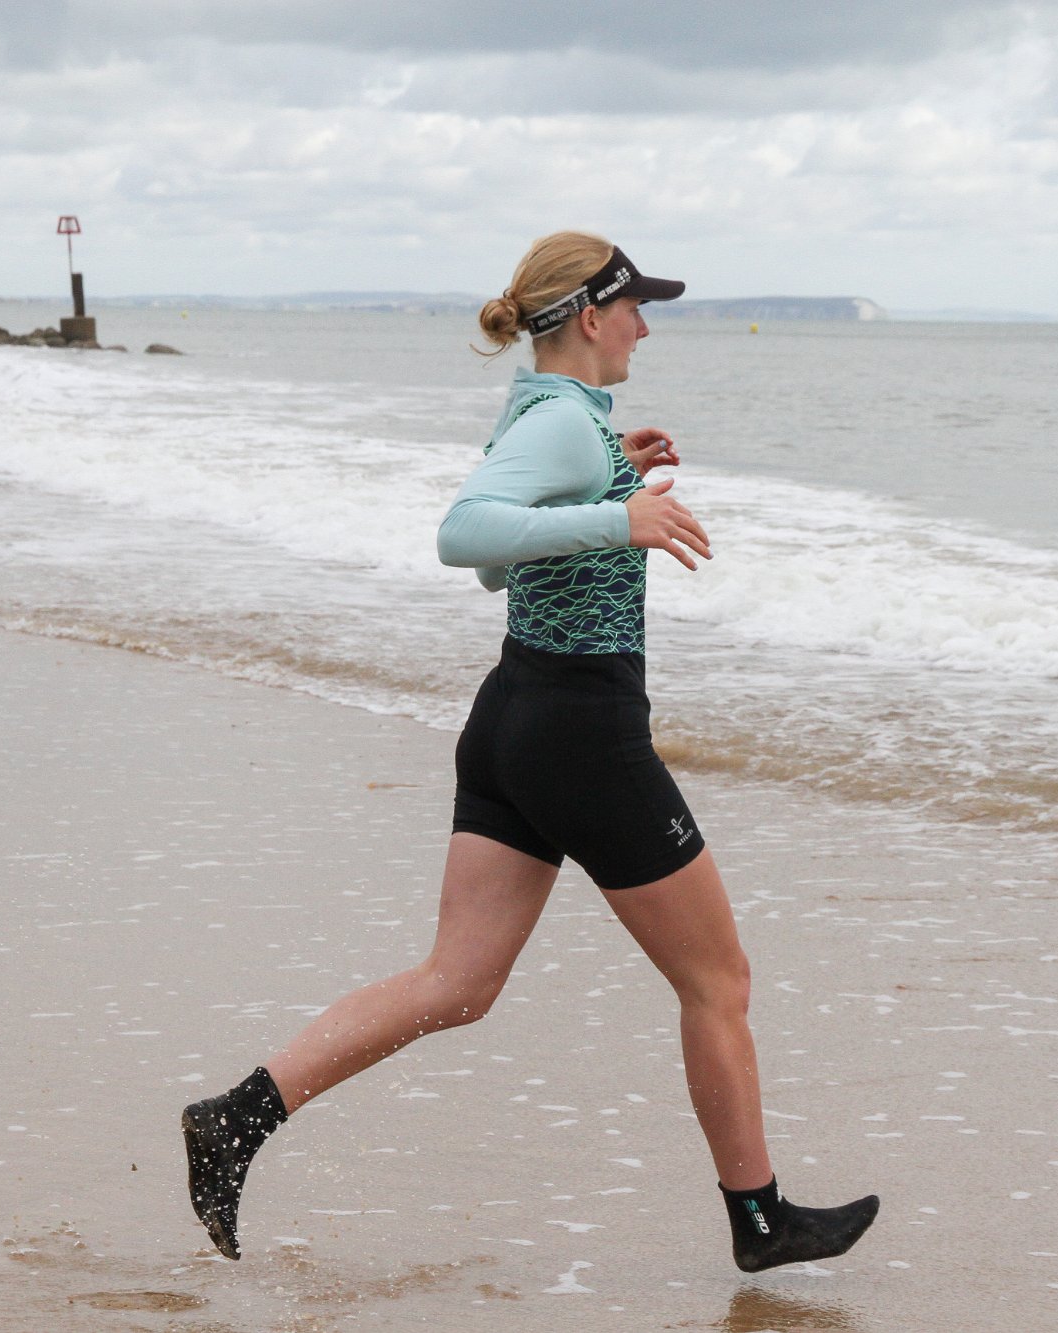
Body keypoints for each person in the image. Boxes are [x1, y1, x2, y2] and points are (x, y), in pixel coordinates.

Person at [182, 231, 878, 1274]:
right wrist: (617, 517)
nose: (646, 324)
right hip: (578, 733)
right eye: (635, 306)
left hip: (513, 716)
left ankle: (236, 1116)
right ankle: (758, 1216)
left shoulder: (553, 423)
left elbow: (498, 570)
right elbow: (461, 538)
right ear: (589, 317)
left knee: (457, 982)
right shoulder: (557, 420)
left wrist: (610, 485)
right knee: (718, 979)